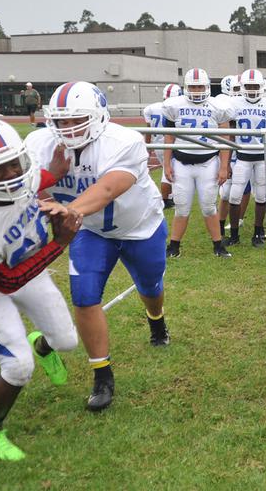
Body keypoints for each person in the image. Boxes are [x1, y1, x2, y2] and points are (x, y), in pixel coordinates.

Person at [26, 81, 170, 413]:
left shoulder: (124, 141)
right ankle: (101, 374)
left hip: (139, 227)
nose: (68, 128)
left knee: (151, 286)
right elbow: (32, 188)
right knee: (85, 295)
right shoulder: (39, 143)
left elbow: (107, 190)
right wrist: (46, 194)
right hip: (91, 231)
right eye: (61, 120)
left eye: (76, 119)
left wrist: (69, 210)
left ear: (98, 116)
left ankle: (156, 317)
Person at [0, 119, 81, 460]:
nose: (12, 174)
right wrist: (61, 243)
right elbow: (9, 282)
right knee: (17, 367)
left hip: (27, 264)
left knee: (67, 341)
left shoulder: (20, 177)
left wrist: (53, 171)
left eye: (16, 162)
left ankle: (42, 346)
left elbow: (33, 178)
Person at [161, 68, 234, 258]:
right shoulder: (173, 105)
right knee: (181, 206)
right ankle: (174, 246)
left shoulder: (218, 106)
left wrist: (224, 166)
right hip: (181, 163)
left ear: (207, 86)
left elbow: (225, 139)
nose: (196, 90)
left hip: (208, 162)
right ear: (186, 87)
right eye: (192, 87)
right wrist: (166, 164)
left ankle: (218, 246)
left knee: (209, 206)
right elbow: (169, 137)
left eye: (199, 86)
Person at [225, 69, 266, 247]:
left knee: (262, 197)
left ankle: (258, 231)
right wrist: (226, 163)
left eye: (254, 86)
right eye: (248, 86)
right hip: (242, 157)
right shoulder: (234, 103)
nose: (251, 89)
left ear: (261, 86)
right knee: (234, 196)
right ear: (242, 86)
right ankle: (234, 234)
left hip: (263, 158)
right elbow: (231, 135)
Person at [142, 83, 182, 209]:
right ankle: (165, 200)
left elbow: (148, 130)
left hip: (157, 143)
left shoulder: (151, 108)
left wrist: (148, 146)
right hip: (170, 143)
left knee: (169, 171)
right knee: (168, 172)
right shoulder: (175, 108)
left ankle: (169, 197)